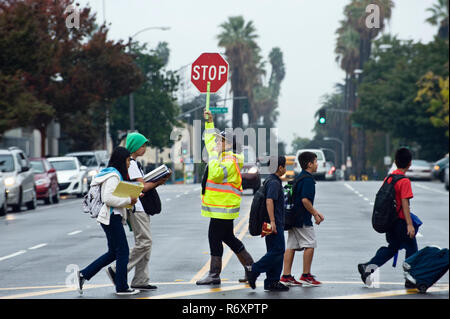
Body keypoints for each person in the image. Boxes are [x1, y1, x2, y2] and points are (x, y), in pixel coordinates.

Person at [196, 110, 254, 285]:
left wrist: (213, 155)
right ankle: (251, 268)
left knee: (215, 238)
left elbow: (215, 174)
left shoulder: (231, 160)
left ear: (228, 144)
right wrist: (209, 122)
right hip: (220, 208)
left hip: (224, 208)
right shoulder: (223, 156)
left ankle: (214, 275)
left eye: (219, 141)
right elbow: (208, 139)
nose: (215, 143)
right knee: (228, 237)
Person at [106, 132, 171, 291]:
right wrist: (159, 181)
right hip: (137, 207)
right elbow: (141, 187)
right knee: (145, 242)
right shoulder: (132, 163)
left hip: (139, 207)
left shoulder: (133, 163)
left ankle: (141, 279)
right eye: (142, 145)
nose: (145, 148)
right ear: (135, 146)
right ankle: (118, 270)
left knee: (145, 244)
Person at [77, 147, 139, 296]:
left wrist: (131, 199)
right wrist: (128, 200)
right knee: (123, 251)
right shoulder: (113, 175)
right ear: (122, 160)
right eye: (128, 160)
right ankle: (122, 287)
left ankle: (84, 274)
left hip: (110, 217)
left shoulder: (111, 173)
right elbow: (108, 198)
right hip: (111, 217)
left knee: (113, 252)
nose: (130, 163)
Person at [358, 147, 418, 287]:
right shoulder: (404, 181)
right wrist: (409, 224)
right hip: (401, 222)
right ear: (409, 163)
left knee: (392, 248)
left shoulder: (389, 178)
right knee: (412, 249)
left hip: (389, 222)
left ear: (396, 162)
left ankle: (368, 268)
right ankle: (410, 279)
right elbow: (404, 204)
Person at [280, 151, 324, 287]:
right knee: (310, 244)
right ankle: (306, 275)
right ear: (309, 164)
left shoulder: (299, 177)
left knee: (292, 246)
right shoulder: (308, 179)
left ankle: (286, 276)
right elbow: (305, 200)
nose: (317, 164)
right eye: (316, 162)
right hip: (302, 218)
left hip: (292, 216)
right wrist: (315, 214)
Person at [247, 156, 289, 291]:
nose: (285, 169)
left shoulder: (271, 180)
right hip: (272, 222)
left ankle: (272, 281)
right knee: (278, 250)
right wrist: (273, 221)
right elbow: (269, 201)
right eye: (285, 166)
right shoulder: (274, 183)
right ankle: (254, 269)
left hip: (271, 222)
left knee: (275, 252)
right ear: (280, 167)